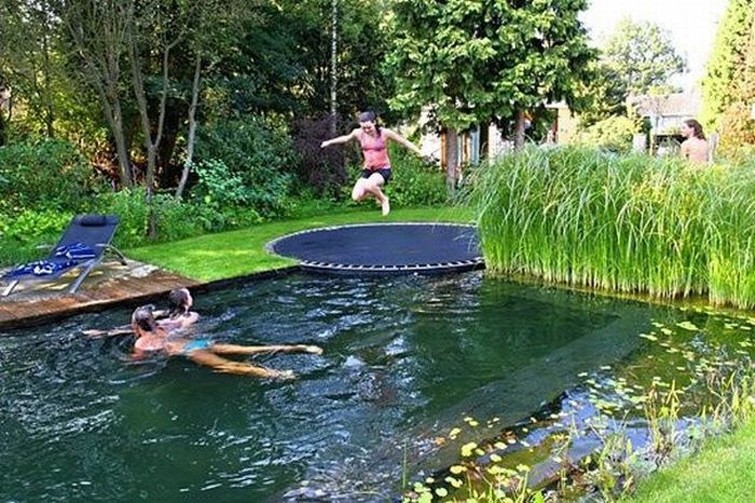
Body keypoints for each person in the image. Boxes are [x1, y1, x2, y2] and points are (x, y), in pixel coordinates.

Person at [130, 305, 323, 379]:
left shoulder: (141, 343)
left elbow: (140, 361)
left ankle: (279, 374)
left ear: (136, 326)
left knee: (228, 366)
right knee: (250, 349)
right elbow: (158, 318)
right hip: (199, 342)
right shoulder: (165, 327)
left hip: (190, 351)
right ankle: (301, 347)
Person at [320, 110, 424, 216]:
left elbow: (404, 141)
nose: (366, 130)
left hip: (383, 169)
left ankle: (384, 200)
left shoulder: (385, 133)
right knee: (356, 196)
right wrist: (329, 142)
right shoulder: (358, 133)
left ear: (374, 122)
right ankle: (377, 194)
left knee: (370, 184)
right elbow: (346, 138)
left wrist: (419, 152)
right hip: (368, 169)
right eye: (363, 127)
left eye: (369, 127)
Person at [82, 287, 198, 338]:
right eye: (189, 296)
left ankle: (100, 333)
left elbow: (139, 315)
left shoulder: (163, 313)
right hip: (165, 331)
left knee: (121, 330)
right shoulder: (192, 316)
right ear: (185, 301)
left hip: (157, 325)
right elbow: (183, 331)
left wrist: (136, 326)